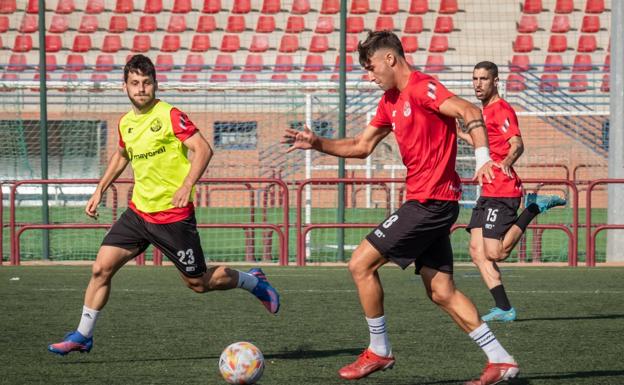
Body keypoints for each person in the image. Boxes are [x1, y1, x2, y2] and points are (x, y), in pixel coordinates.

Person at [283, 31, 518, 385]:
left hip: (430, 202)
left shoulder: (423, 87)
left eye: (371, 66)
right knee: (441, 291)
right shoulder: (389, 101)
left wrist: (483, 158)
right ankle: (500, 360)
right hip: (430, 203)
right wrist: (318, 143)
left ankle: (379, 350)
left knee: (360, 264)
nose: (370, 74)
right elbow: (361, 147)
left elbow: (469, 111)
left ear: (390, 59)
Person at [48, 55, 280, 356]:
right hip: (138, 214)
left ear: (155, 84)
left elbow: (203, 149)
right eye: (135, 83)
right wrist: (100, 189)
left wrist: (187, 185)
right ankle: (83, 334)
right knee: (100, 269)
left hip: (172, 216)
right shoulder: (126, 123)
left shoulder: (169, 115)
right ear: (125, 87)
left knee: (198, 283)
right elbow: (121, 155)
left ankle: (254, 282)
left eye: (146, 83)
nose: (141, 89)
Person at [458, 61, 566, 322]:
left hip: (504, 190)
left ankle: (532, 208)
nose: (478, 84)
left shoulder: (502, 109)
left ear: (496, 81)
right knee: (476, 251)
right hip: (488, 190)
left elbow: (517, 144)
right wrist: (458, 133)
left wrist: (506, 163)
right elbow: (483, 142)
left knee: (496, 253)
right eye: (475, 79)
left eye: (484, 79)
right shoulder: (481, 113)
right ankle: (505, 308)